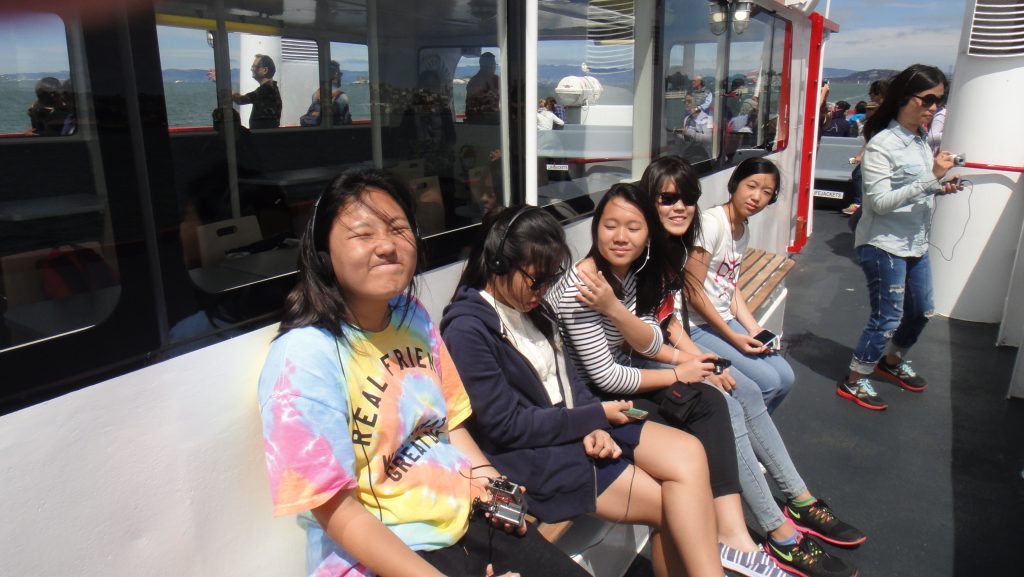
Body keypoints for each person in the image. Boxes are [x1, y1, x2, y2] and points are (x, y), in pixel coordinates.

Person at [257, 169, 590, 577]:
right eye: (363, 234)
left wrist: (494, 488)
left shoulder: (412, 317)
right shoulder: (304, 357)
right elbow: (334, 509)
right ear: (323, 252)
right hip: (382, 549)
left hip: (464, 514)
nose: (386, 246)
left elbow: (450, 424)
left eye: (398, 229)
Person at [563, 161, 861, 577]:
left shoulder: (645, 260)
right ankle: (772, 532)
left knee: (753, 390)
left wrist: (687, 359)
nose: (680, 207)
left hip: (651, 359)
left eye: (688, 199)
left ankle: (792, 501)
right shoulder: (605, 275)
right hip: (610, 394)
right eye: (667, 199)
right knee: (723, 403)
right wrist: (682, 366)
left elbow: (653, 329)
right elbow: (614, 368)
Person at [442, 206, 742, 577]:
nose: (544, 290)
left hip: (575, 423)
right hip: (533, 453)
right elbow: (507, 426)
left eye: (551, 279)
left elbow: (574, 382)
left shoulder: (533, 308)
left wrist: (594, 424)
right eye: (536, 280)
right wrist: (595, 418)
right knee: (672, 505)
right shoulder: (467, 329)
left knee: (690, 450)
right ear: (499, 263)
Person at [839, 64, 963, 410]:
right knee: (887, 317)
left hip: (915, 242)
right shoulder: (882, 145)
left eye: (939, 101)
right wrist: (932, 178)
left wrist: (940, 186)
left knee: (923, 311)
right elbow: (877, 204)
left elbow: (914, 190)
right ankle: (855, 379)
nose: (933, 108)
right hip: (883, 245)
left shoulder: (921, 141)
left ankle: (891, 361)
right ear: (904, 98)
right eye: (928, 100)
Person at [685, 158, 795, 413]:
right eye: (751, 186)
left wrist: (754, 328)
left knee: (786, 378)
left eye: (766, 192)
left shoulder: (742, 228)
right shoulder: (712, 224)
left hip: (722, 320)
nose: (757, 197)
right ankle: (741, 442)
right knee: (767, 383)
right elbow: (693, 291)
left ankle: (754, 436)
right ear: (735, 184)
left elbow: (730, 287)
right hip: (697, 325)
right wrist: (733, 335)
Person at [843, 80, 891, 216]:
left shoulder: (886, 115)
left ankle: (859, 204)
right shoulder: (885, 114)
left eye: (871, 94)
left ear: (880, 94)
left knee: (859, 175)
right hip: (877, 151)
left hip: (881, 153)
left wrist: (861, 154)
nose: (870, 97)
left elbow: (874, 138)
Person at [232, 54, 282, 129]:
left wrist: (224, 87)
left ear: (265, 70)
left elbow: (240, 100)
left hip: (263, 137)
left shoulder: (266, 90)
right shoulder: (272, 89)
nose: (251, 69)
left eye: (254, 67)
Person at [299, 60, 352, 126]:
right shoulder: (341, 97)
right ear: (336, 74)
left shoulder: (316, 94)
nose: (341, 78)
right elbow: (346, 123)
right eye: (340, 74)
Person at [465, 52, 500, 124]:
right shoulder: (495, 80)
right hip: (485, 122)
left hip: (476, 122)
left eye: (494, 64)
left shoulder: (473, 81)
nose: (494, 67)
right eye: (493, 64)